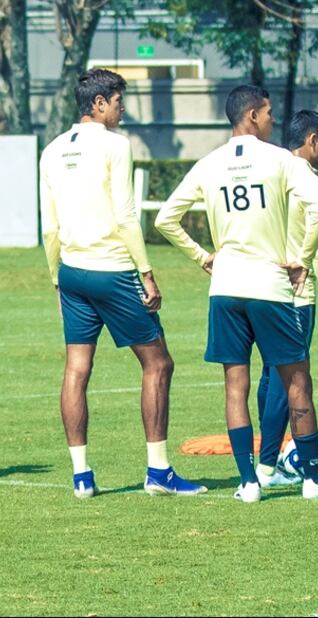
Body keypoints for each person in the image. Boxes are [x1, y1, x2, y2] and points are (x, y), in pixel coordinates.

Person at [155, 84, 318, 501]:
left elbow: (166, 219)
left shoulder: (209, 163)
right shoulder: (278, 159)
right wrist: (303, 259)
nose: (274, 120)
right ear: (253, 115)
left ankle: (248, 482)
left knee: (234, 385)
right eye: (270, 113)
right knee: (297, 381)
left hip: (225, 290)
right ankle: (313, 478)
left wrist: (203, 257)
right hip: (270, 287)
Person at [39, 70, 205, 499]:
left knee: (77, 369)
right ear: (97, 104)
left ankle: (81, 477)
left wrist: (57, 280)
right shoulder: (115, 145)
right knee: (159, 363)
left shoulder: (52, 150)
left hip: (73, 272)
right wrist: (147, 272)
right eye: (117, 100)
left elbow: (50, 227)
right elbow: (125, 215)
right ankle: (159, 471)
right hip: (113, 270)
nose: (122, 108)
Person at [250, 111, 318, 486]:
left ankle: (267, 465)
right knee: (294, 380)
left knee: (271, 375)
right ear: (313, 140)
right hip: (296, 294)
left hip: (261, 288)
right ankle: (273, 470)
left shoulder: (270, 172)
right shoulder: (306, 180)